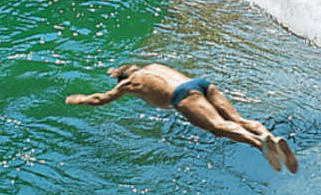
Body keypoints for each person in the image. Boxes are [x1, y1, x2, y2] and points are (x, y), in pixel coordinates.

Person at [65, 63, 298, 173]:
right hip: (201, 84)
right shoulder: (154, 66)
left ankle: (260, 144)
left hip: (182, 96)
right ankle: (267, 135)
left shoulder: (129, 83)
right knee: (238, 119)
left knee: (218, 127)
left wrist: (81, 100)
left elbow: (101, 99)